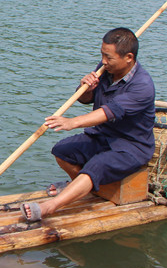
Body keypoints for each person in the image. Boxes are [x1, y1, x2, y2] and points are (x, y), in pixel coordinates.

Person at [22, 28, 155, 223]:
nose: (103, 61)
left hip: (130, 146)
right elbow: (85, 99)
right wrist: (85, 87)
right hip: (102, 136)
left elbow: (108, 113)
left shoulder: (142, 85)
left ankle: (50, 207)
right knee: (62, 151)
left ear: (128, 57)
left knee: (96, 166)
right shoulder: (106, 69)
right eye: (102, 55)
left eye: (108, 57)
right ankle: (79, 187)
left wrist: (71, 122)